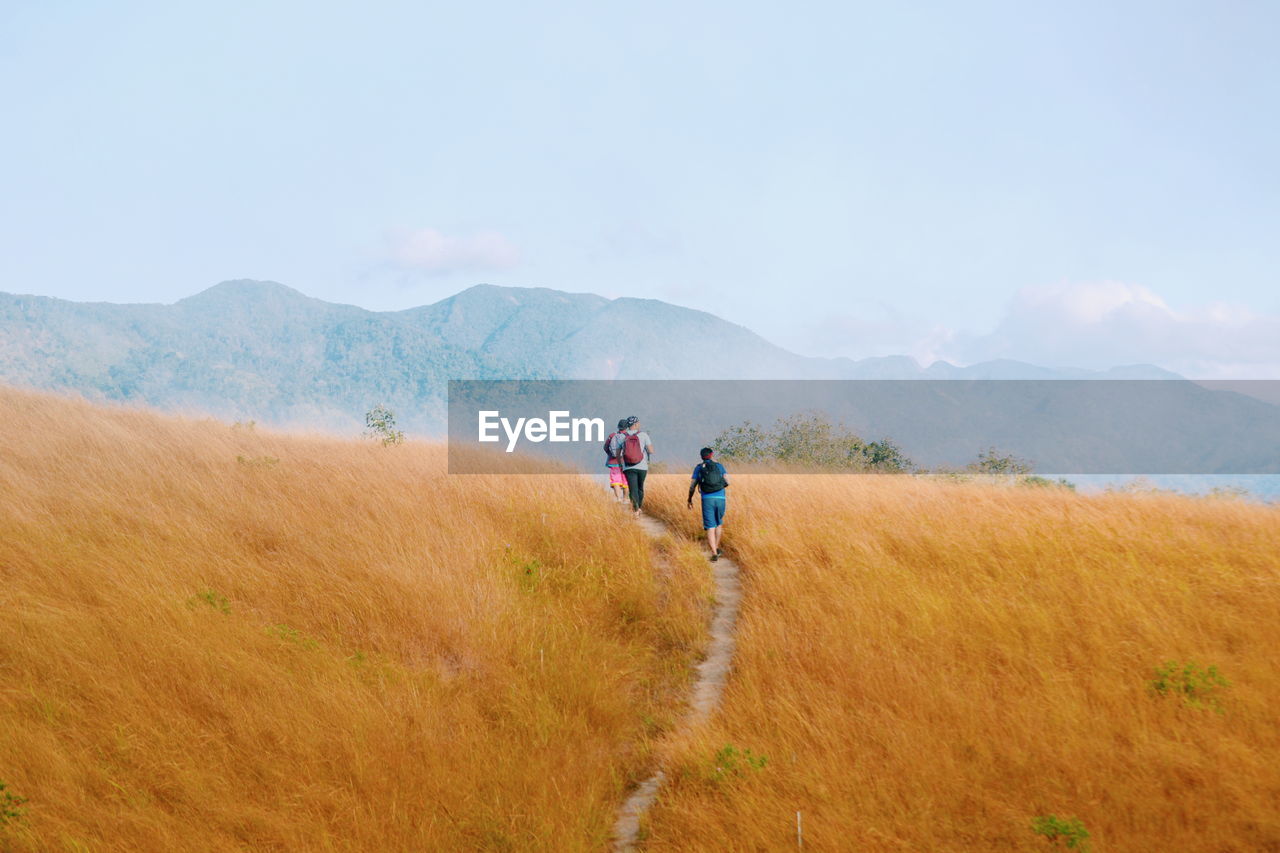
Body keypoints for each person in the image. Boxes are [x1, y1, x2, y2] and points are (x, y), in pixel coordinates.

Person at [687, 446, 729, 561]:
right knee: (718, 523)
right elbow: (727, 481)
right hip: (721, 498)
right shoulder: (719, 466)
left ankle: (714, 553)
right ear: (712, 455)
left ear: (701, 456)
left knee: (710, 527)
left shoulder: (699, 468)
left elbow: (692, 486)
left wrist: (689, 499)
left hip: (707, 499)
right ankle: (717, 546)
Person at [609, 415, 654, 517]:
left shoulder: (622, 436)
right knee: (640, 488)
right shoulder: (644, 435)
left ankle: (636, 510)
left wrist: (621, 464)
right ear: (636, 424)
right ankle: (639, 507)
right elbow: (651, 451)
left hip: (628, 467)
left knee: (632, 488)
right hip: (642, 467)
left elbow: (618, 453)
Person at [604, 418, 630, 503]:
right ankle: (625, 499)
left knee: (616, 481)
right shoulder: (628, 436)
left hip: (613, 462)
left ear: (618, 427)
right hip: (625, 462)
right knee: (626, 481)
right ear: (627, 427)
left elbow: (605, 447)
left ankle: (618, 499)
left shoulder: (612, 435)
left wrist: (611, 454)